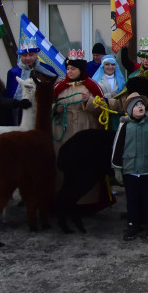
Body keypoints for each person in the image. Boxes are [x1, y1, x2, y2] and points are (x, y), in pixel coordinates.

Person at [53, 52, 108, 211]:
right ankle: (63, 200)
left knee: (85, 164)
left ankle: (86, 202)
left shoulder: (91, 86)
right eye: (68, 68)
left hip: (85, 127)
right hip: (63, 129)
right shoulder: (59, 87)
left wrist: (89, 102)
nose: (69, 72)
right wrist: (54, 109)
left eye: (73, 69)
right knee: (64, 163)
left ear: (80, 69)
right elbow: (46, 105)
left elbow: (103, 108)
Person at [112, 92, 148, 241]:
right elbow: (117, 147)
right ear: (129, 110)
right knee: (132, 199)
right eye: (136, 105)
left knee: (147, 198)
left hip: (147, 168)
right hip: (130, 168)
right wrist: (117, 168)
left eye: (141, 104)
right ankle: (133, 224)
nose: (140, 107)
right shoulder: (125, 126)